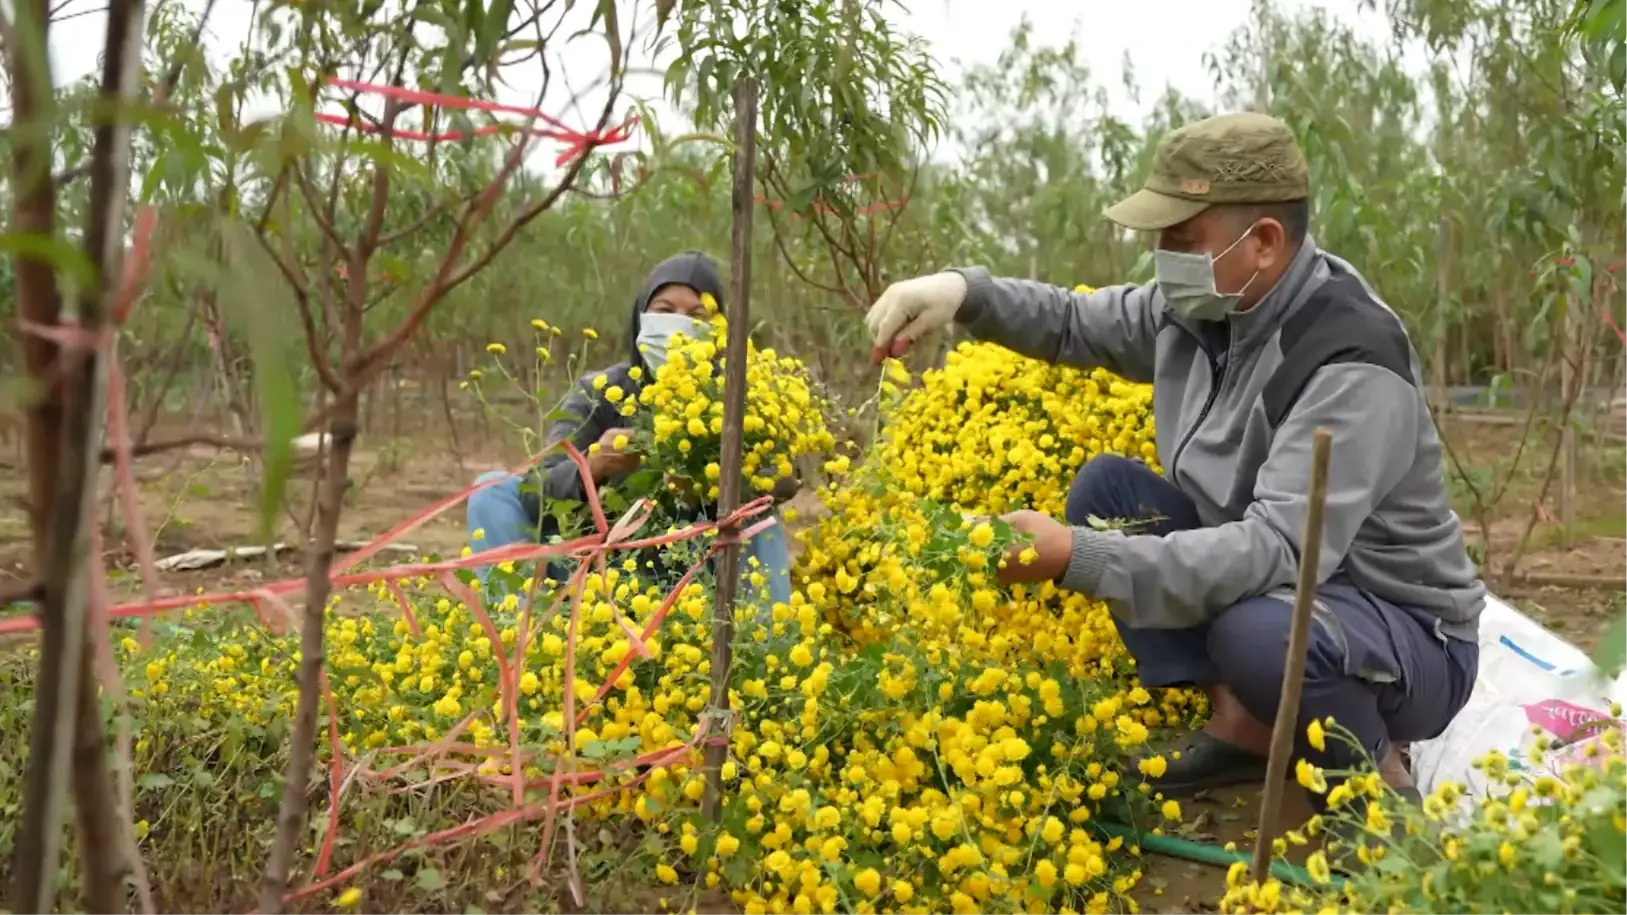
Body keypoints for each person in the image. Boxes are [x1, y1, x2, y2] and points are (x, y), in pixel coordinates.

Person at [862, 112, 1483, 806]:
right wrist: (961, 293)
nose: (1162, 255)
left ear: (1265, 243)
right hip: (1283, 578)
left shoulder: (1346, 359)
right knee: (1110, 491)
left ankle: (1371, 785)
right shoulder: (1204, 308)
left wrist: (1075, 555)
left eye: (1182, 239)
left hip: (1404, 633)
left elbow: (1276, 550)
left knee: (1261, 632)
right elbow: (1073, 322)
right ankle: (1244, 726)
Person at [465, 250, 794, 611]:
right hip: (597, 571)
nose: (678, 324)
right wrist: (592, 467)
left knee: (760, 514)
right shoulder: (600, 392)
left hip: (697, 571)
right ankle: (525, 633)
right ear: (641, 316)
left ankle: (760, 652)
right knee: (492, 490)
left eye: (697, 315)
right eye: (665, 311)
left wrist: (713, 480)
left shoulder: (734, 398)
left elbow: (784, 479)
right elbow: (536, 487)